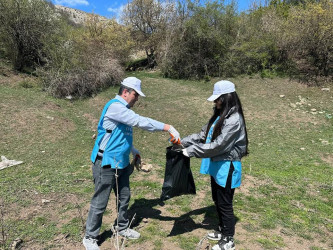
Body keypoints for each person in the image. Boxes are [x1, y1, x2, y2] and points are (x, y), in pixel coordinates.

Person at [83, 77, 180, 250]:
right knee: (100, 201)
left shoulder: (123, 110)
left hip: (121, 164)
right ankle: (90, 237)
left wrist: (133, 150)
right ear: (126, 92)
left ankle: (121, 227)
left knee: (124, 196)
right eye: (135, 94)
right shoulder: (115, 106)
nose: (137, 99)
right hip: (106, 163)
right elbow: (139, 121)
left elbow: (119, 135)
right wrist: (168, 127)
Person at [181, 80, 248, 250]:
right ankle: (221, 229)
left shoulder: (234, 119)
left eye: (217, 99)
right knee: (217, 199)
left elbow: (220, 145)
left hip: (227, 166)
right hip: (217, 164)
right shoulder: (220, 115)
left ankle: (228, 239)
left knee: (225, 203)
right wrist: (182, 142)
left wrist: (192, 151)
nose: (214, 102)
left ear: (227, 98)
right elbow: (203, 135)